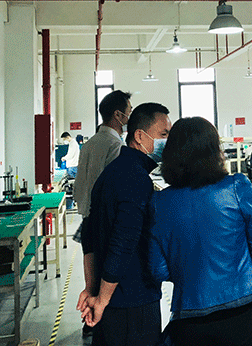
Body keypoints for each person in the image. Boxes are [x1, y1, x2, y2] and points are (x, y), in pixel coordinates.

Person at [149, 117, 252, 346]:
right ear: (215, 150)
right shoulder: (237, 186)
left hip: (189, 313)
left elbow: (159, 270)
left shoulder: (159, 202)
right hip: (241, 307)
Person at [77, 102, 172, 346]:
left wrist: (92, 289)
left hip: (109, 296)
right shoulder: (135, 179)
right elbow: (123, 243)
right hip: (132, 302)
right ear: (139, 136)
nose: (167, 142)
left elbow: (88, 234)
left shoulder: (112, 172)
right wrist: (102, 299)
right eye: (163, 134)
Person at [73, 90, 132, 337]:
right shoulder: (115, 145)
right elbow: (115, 189)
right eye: (128, 112)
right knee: (107, 273)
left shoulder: (89, 144)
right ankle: (100, 319)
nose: (130, 116)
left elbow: (79, 186)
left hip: (87, 217)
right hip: (106, 220)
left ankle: (89, 322)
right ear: (118, 115)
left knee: (92, 275)